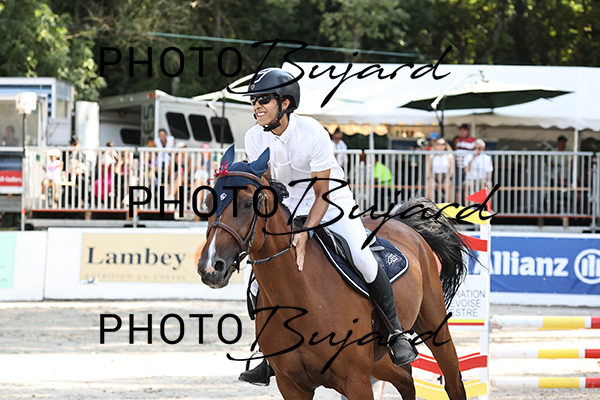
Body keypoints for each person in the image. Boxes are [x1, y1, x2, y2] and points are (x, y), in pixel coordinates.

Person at [240, 67, 418, 386]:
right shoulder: (253, 137)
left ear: (284, 103)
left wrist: (305, 232)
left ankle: (395, 333)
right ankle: (269, 355)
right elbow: (266, 186)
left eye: (263, 99)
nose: (257, 106)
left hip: (332, 202)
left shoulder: (312, 132)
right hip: (288, 206)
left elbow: (322, 194)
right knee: (255, 276)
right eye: (254, 100)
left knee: (362, 257)